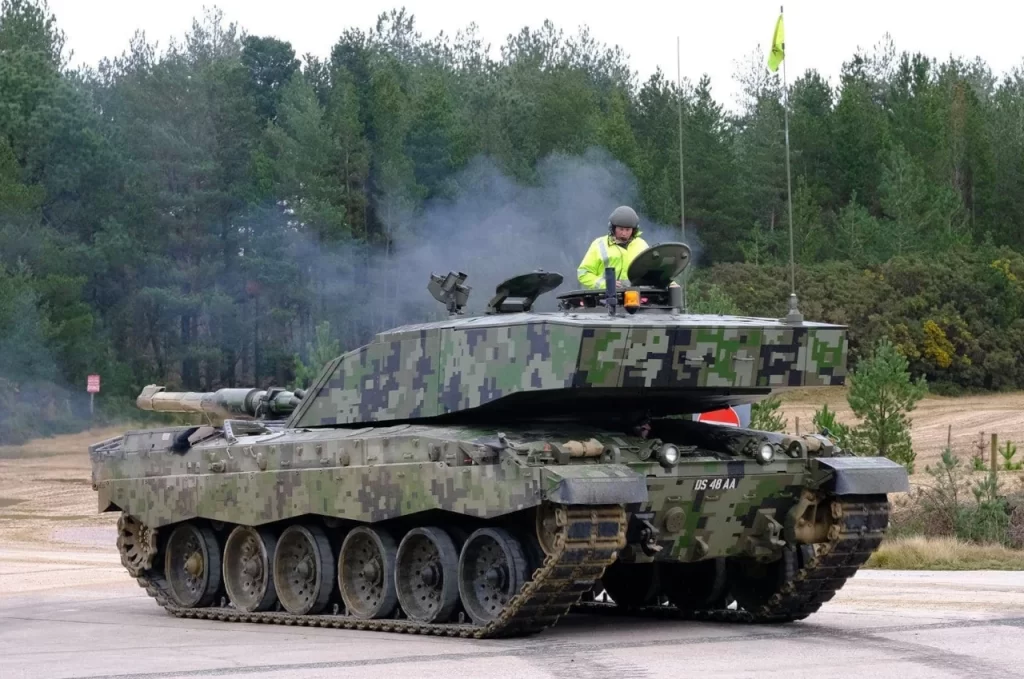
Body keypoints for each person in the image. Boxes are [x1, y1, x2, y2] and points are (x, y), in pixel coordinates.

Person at [577, 205, 650, 289]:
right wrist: (606, 284)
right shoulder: (599, 244)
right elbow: (583, 273)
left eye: (627, 230)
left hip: (636, 297)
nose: (624, 233)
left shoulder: (642, 245)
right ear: (613, 228)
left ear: (634, 230)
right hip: (603, 297)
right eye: (621, 229)